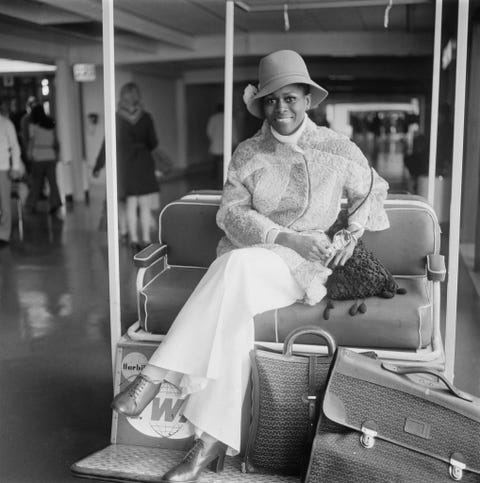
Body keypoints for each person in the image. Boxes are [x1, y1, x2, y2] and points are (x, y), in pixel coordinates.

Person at [111, 50, 390, 482]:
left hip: (301, 266)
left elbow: (373, 192)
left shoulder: (338, 148)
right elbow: (231, 215)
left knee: (233, 272)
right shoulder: (247, 153)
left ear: (308, 100)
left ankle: (154, 376)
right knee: (234, 304)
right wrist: (284, 236)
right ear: (261, 104)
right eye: (272, 100)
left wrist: (349, 236)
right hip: (252, 257)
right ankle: (207, 442)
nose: (282, 109)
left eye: (291, 98)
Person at [94, 82, 160, 252]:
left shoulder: (116, 118)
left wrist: (98, 165)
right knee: (144, 203)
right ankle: (145, 239)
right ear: (137, 97)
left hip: (126, 164)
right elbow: (153, 143)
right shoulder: (146, 117)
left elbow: (107, 144)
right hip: (143, 162)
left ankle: (133, 239)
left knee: (131, 203)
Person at [25, 104, 62, 217]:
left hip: (38, 156)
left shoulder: (33, 126)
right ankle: (55, 203)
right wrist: (57, 154)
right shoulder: (51, 124)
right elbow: (56, 141)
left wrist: (28, 153)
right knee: (52, 182)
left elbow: (31, 141)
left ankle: (31, 205)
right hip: (50, 155)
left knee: (36, 182)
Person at [0, 98, 23, 247]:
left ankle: (3, 235)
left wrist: (15, 167)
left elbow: (15, 146)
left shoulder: (6, 124)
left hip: (3, 168)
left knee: (4, 203)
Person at [206, 103, 238, 188]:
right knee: (227, 163)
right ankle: (227, 179)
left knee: (215, 163)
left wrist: (213, 139)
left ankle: (214, 179)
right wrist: (235, 142)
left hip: (216, 144)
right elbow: (233, 132)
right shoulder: (229, 118)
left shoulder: (213, 118)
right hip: (227, 144)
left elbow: (209, 131)